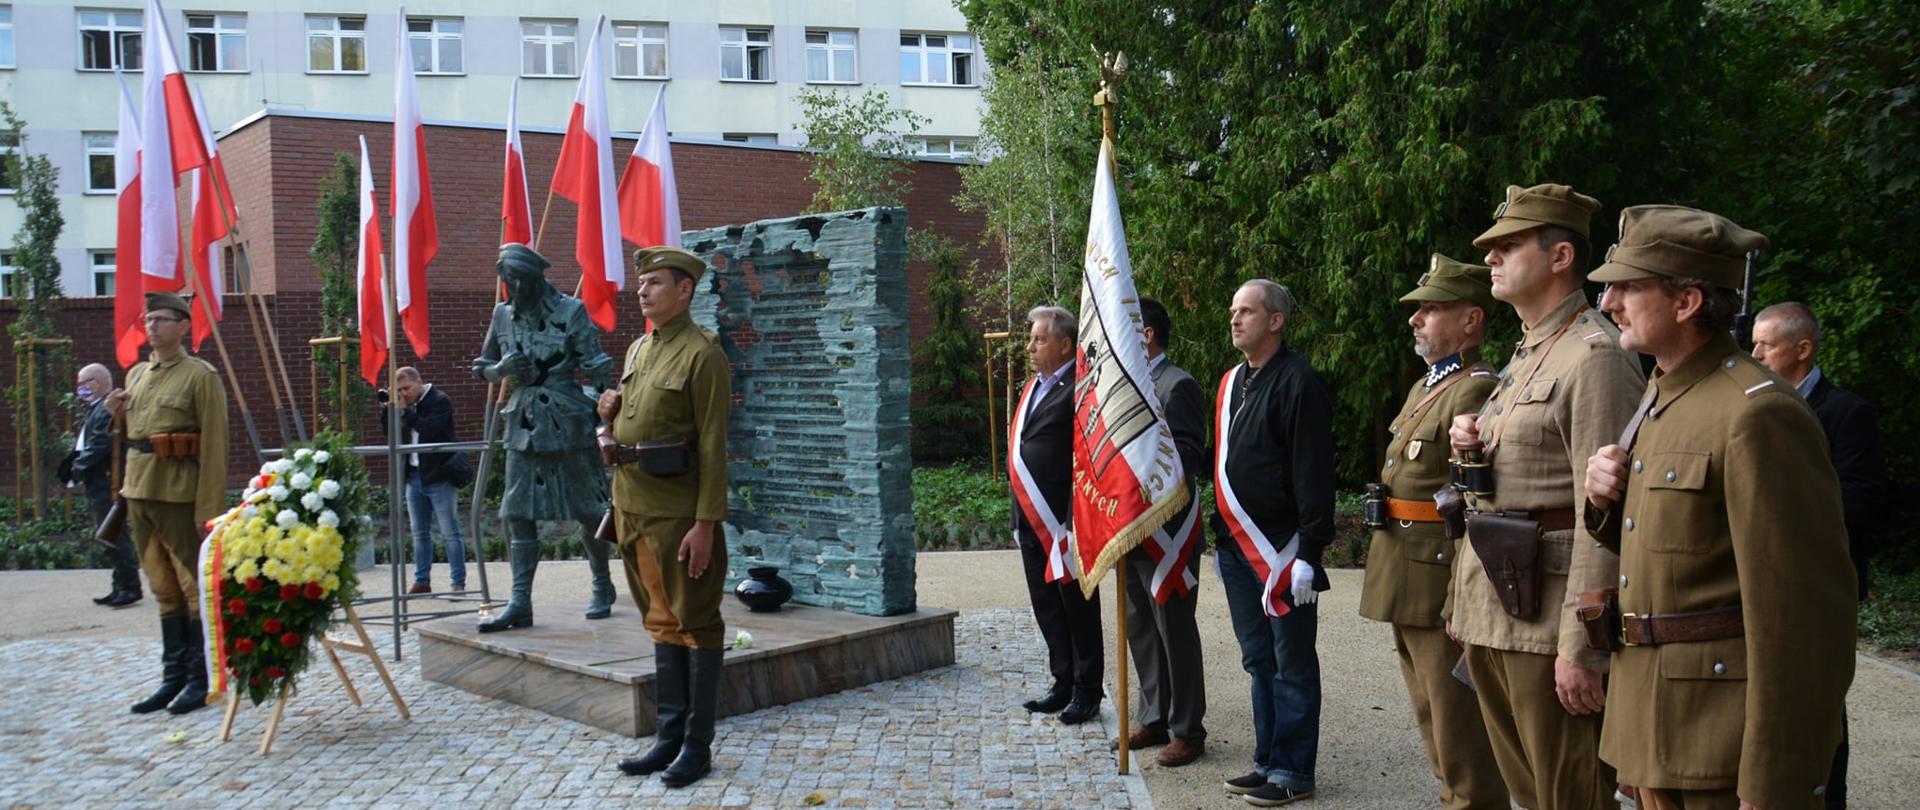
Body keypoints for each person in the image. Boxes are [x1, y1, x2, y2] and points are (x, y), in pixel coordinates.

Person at [1584, 205, 1856, 810]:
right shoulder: (1663, 390)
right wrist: (1604, 500)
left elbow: (1806, 614)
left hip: (1722, 741)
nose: (1609, 303)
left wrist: (1775, 774)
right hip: (1658, 722)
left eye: (1627, 286)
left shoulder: (1757, 411)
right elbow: (1672, 548)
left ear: (1685, 303)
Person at [1446, 183, 1641, 810]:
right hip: (1497, 603)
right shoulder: (1528, 352)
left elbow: (1607, 516)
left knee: (1570, 795)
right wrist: (1471, 448)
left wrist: (1583, 642)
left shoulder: (1596, 356)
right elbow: (1509, 487)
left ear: (1561, 257)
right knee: (1528, 795)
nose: (1492, 257)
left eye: (1507, 245)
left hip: (1547, 616)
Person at [1358, 256, 1508, 809]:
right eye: (1417, 310)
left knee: (1458, 731)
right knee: (1431, 722)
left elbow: (1473, 506)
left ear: (1471, 320)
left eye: (1431, 308)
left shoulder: (1474, 388)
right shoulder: (1429, 384)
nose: (1415, 320)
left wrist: (1460, 596)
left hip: (1438, 579)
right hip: (1404, 571)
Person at [602, 247, 733, 788]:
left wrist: (705, 524)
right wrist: (606, 417)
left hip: (679, 515)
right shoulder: (638, 348)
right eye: (641, 283)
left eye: (655, 282)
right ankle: (668, 736)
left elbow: (712, 444)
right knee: (659, 620)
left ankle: (696, 747)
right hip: (632, 506)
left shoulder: (704, 354)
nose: (642, 290)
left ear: (685, 291)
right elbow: (632, 422)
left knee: (695, 623)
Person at [1751, 301, 1888, 809]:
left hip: (1819, 587)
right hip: (1765, 585)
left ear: (1803, 350)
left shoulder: (1846, 412)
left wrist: (1778, 522)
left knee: (1819, 703)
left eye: (1766, 343)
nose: (1755, 352)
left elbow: (1865, 506)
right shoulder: (1754, 403)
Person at [1212, 279, 1333, 807]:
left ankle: (1293, 771)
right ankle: (1266, 760)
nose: (1235, 319)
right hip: (1237, 550)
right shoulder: (1231, 382)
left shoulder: (1299, 381)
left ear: (1276, 320)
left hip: (1283, 552)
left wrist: (1310, 553)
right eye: (1233, 311)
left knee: (1292, 663)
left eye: (1247, 311)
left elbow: (1313, 473)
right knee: (1257, 659)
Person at [471, 243, 617, 630]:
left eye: (520, 280)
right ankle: (520, 601)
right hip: (522, 422)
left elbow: (595, 364)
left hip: (568, 419)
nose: (514, 288)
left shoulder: (571, 311)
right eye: (508, 281)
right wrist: (500, 368)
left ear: (536, 278)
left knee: (589, 509)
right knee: (517, 513)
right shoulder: (502, 315)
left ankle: (602, 583)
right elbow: (481, 366)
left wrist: (612, 415)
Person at [103, 292, 228, 715]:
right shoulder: (137, 374)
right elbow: (131, 433)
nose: (151, 326)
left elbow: (215, 445)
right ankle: (171, 679)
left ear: (183, 326)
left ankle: (200, 678)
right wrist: (113, 412)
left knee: (193, 589)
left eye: (160, 319)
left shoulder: (200, 375)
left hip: (178, 492)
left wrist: (207, 508)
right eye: (148, 319)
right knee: (162, 588)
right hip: (138, 490)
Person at [1121, 297, 1209, 767]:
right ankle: (1154, 717)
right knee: (1140, 628)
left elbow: (1188, 455)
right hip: (1130, 528)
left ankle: (1187, 730)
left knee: (1173, 628)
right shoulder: (1124, 387)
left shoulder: (1177, 385)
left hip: (1167, 532)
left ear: (1148, 334)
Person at [1008, 305, 1106, 726]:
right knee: (1047, 607)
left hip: (1064, 524)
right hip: (1030, 520)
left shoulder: (1080, 390)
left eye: (1039, 339)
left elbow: (1086, 461)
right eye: (1031, 338)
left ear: (1065, 344)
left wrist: (1070, 522)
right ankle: (1062, 681)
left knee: (1078, 609)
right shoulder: (1033, 388)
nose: (1030, 346)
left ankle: (1087, 690)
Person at [382, 366, 473, 594]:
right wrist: (388, 410)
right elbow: (389, 432)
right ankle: (422, 581)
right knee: (419, 532)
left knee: (450, 532)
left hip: (439, 475)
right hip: (414, 476)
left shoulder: (438, 400)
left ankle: (457, 582)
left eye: (406, 388)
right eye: (399, 390)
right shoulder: (404, 405)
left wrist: (407, 412)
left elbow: (429, 429)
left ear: (419, 381)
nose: (404, 393)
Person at [67, 363, 141, 609]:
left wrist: (77, 470)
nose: (80, 389)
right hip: (99, 481)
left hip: (106, 482)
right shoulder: (98, 408)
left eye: (82, 383)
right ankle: (119, 585)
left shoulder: (106, 410)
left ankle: (130, 587)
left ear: (96, 382)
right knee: (108, 535)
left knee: (114, 535)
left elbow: (100, 444)